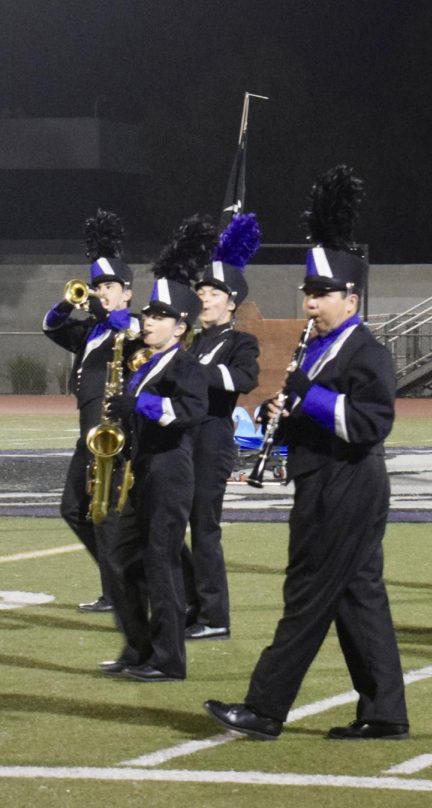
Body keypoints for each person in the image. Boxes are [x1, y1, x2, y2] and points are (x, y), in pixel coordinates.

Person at [205, 165, 409, 740]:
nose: (312, 304)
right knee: (357, 598)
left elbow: (373, 424)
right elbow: (315, 412)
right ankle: (386, 713)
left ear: (351, 297)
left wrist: (311, 399)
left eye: (321, 295)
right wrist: (286, 419)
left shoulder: (367, 352)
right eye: (309, 293)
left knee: (307, 596)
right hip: (323, 480)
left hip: (350, 486)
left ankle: (266, 710)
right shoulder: (318, 346)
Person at [100, 217, 212, 681]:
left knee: (161, 563)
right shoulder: (144, 362)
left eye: (158, 316)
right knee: (123, 558)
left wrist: (138, 403)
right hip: (145, 469)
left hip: (171, 470)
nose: (148, 321)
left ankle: (168, 660)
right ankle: (140, 647)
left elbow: (190, 411)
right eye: (148, 314)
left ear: (180, 325)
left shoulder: (185, 365)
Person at [41, 210, 139, 613]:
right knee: (76, 509)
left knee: (109, 514)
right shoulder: (91, 332)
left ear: (127, 291)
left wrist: (106, 311)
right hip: (90, 434)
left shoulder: (133, 324)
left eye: (109, 285)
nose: (101, 291)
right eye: (96, 286)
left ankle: (124, 589)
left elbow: (128, 329)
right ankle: (118, 586)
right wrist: (69, 302)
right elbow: (50, 325)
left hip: (114, 432)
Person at [181, 213, 262, 641]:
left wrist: (192, 373)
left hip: (211, 442)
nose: (203, 298)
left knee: (204, 531)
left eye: (212, 293)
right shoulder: (192, 340)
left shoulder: (239, 342)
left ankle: (215, 617)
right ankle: (191, 604)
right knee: (168, 525)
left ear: (231, 302)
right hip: (181, 442)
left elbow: (244, 381)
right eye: (201, 290)